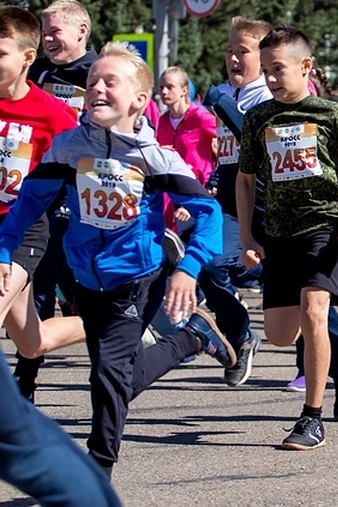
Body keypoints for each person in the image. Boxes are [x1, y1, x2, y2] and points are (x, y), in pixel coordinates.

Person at [0, 41, 233, 478]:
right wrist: (3, 248)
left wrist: (188, 268)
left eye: (111, 82)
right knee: (120, 375)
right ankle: (190, 339)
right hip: (85, 279)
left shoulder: (153, 158)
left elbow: (209, 213)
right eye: (92, 82)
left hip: (137, 277)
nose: (98, 89)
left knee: (106, 374)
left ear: (140, 100)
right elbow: (28, 204)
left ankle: (98, 466)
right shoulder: (69, 148)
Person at [237, 25, 338, 450]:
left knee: (314, 311)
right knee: (283, 335)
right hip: (279, 233)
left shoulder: (331, 114)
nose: (269, 78)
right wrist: (248, 235)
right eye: (265, 70)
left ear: (306, 67)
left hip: (325, 226)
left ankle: (311, 418)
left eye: (278, 69)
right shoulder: (258, 118)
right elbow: (245, 180)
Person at [15, 0, 98, 401]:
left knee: (82, 289)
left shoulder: (98, 73)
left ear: (81, 31)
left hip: (82, 196)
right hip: (40, 196)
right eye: (44, 32)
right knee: (41, 287)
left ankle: (113, 354)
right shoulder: (39, 72)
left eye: (55, 32)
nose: (48, 39)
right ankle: (24, 385)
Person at [198, 16, 274, 387]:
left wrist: (224, 106)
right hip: (231, 204)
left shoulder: (270, 95)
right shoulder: (233, 95)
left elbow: (254, 142)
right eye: (228, 51)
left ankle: (337, 368)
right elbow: (229, 157)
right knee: (208, 266)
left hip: (272, 207)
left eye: (242, 51)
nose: (232, 59)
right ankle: (242, 336)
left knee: (296, 291)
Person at [156, 66, 217, 230]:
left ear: (184, 90)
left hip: (198, 191)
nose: (164, 92)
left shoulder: (201, 118)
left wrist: (215, 181)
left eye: (169, 87)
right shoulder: (162, 121)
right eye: (161, 87)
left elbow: (225, 143)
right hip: (172, 194)